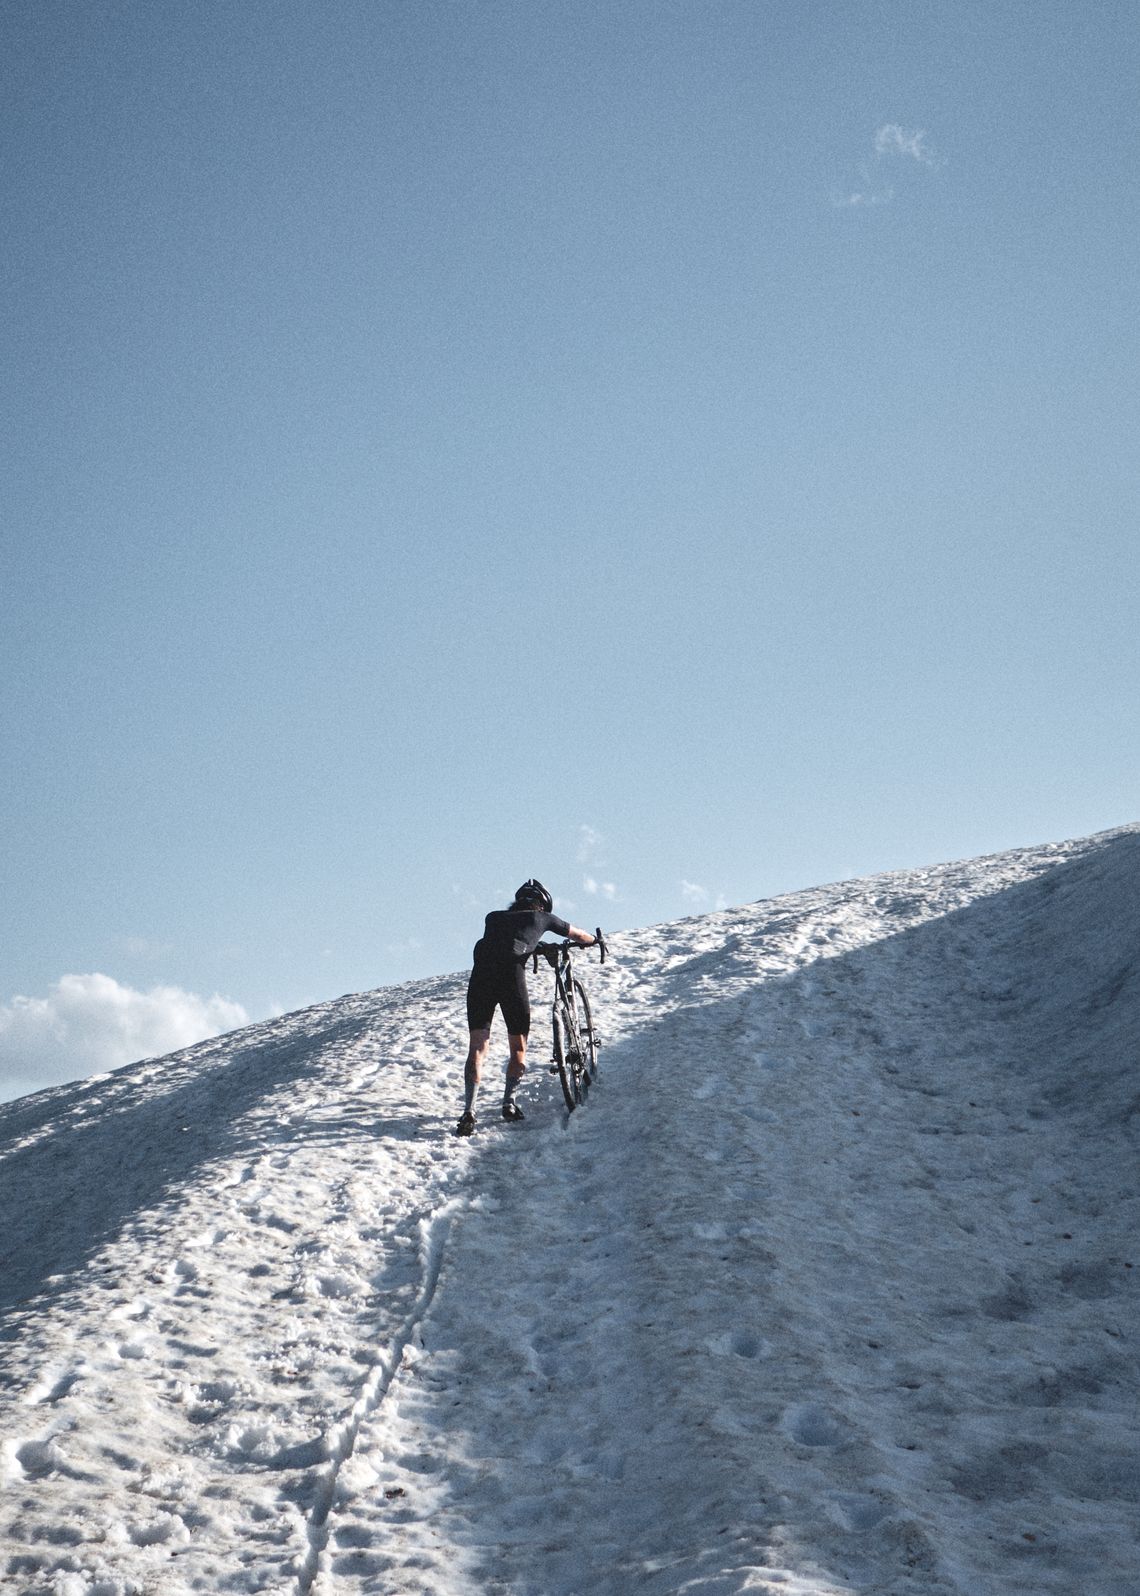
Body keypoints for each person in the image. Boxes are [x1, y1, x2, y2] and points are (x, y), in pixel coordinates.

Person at [455, 879, 597, 1135]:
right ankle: (509, 1102)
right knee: (518, 1048)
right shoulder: (543, 918)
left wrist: (537, 946)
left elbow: (510, 939)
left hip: (481, 981)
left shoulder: (493, 918)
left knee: (477, 1046)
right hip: (512, 982)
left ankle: (469, 1110)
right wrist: (594, 940)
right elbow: (578, 935)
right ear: (542, 906)